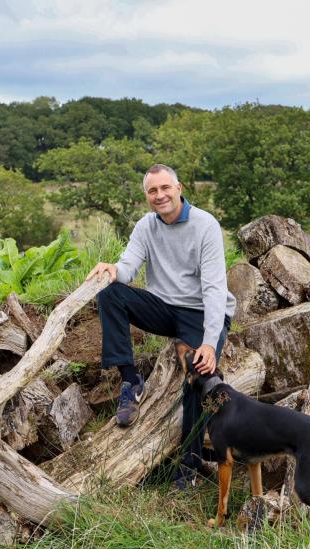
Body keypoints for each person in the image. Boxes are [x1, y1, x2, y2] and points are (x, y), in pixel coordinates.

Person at [86, 163, 236, 488]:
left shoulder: (204, 225)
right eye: (152, 191)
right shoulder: (146, 226)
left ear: (179, 188)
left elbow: (213, 289)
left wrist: (210, 342)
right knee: (111, 294)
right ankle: (131, 382)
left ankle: (189, 469)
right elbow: (128, 266)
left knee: (198, 377)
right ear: (147, 196)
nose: (159, 195)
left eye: (165, 188)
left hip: (200, 311)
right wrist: (112, 268)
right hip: (165, 307)